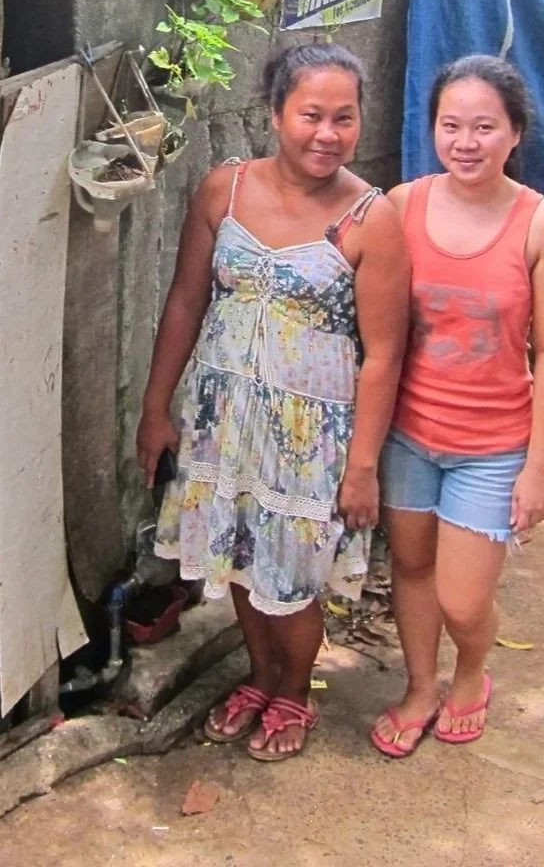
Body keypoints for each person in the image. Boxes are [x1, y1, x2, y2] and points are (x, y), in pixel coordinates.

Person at [136, 42, 410, 762]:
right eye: (311, 115)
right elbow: (184, 301)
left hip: (309, 437)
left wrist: (361, 468)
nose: (327, 133)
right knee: (236, 561)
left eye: (343, 118)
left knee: (292, 574)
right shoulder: (221, 190)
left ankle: (293, 690)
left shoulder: (370, 219)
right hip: (221, 419)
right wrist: (155, 408)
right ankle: (258, 680)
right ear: (274, 113)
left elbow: (383, 354)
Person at [370, 55, 544, 757]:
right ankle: (421, 685)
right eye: (450, 125)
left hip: (491, 446)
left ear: (514, 134)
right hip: (406, 435)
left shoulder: (540, 226)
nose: (466, 142)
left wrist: (538, 469)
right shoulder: (401, 206)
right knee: (411, 566)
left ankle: (471, 672)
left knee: (462, 596)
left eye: (484, 127)